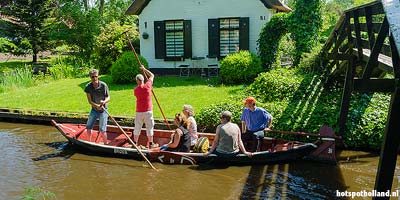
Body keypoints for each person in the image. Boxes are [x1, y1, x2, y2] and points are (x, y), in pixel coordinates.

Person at [133, 65, 157, 148]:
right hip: (148, 111)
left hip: (139, 111)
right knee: (149, 127)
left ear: (137, 81)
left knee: (137, 127)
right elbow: (152, 75)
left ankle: (135, 143)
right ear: (143, 80)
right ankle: (151, 144)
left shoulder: (135, 90)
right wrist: (144, 69)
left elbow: (139, 92)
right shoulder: (148, 86)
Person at [84, 69, 110, 144]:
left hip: (103, 111)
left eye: (96, 76)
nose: (94, 78)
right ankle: (89, 143)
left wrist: (104, 102)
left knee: (102, 130)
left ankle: (106, 145)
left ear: (98, 76)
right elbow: (90, 101)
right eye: (92, 77)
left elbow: (108, 97)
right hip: (94, 110)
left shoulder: (103, 85)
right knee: (88, 127)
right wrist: (96, 106)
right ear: (90, 77)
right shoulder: (88, 87)